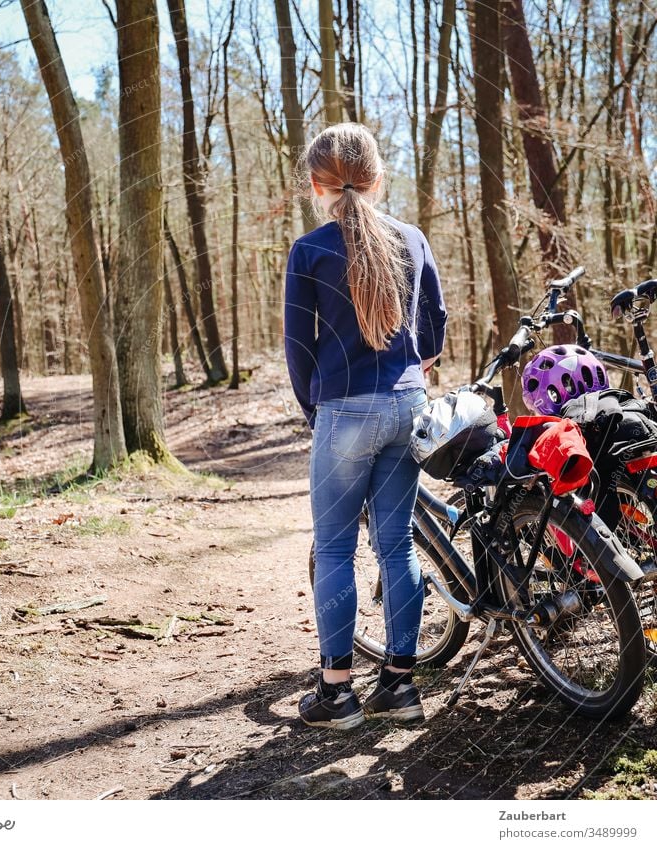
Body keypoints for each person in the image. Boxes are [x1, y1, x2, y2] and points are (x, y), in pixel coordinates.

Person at [283, 123, 447, 729]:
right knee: (396, 545)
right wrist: (413, 369)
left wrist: (316, 411)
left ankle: (336, 694)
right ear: (377, 180)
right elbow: (435, 322)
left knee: (334, 549)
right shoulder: (412, 239)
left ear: (315, 186)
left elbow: (299, 352)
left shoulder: (311, 252)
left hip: (344, 412)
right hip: (408, 406)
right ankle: (400, 688)